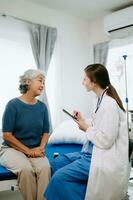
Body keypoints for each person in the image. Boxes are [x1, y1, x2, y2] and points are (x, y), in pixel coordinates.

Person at [44, 64, 129, 200]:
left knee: (59, 178)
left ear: (94, 81)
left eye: (84, 79)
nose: (82, 82)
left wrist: (86, 128)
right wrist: (83, 120)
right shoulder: (99, 100)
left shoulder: (109, 104)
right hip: (89, 153)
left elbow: (106, 140)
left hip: (100, 158)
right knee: (56, 163)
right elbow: (101, 126)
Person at [0, 69, 50, 200]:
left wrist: (42, 147)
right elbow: (6, 135)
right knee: (25, 169)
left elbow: (46, 131)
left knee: (45, 168)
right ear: (28, 82)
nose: (43, 85)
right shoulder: (13, 105)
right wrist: (29, 151)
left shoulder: (42, 107)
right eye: (40, 81)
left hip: (35, 149)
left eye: (44, 82)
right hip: (11, 149)